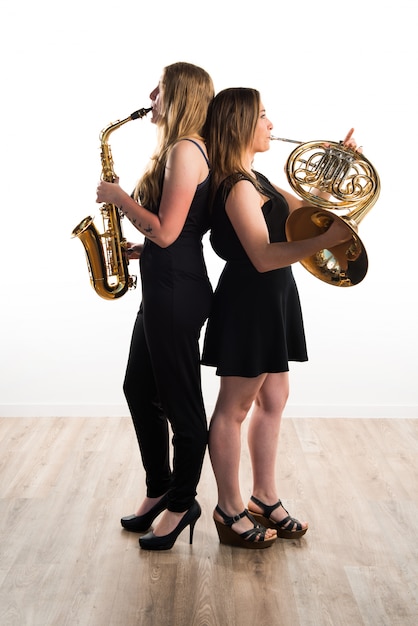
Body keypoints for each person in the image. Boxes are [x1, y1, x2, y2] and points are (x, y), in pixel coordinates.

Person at [201, 87, 359, 549]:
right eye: (264, 116)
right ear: (241, 125)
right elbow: (264, 256)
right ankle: (229, 510)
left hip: (275, 298)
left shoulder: (260, 180)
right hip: (250, 301)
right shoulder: (235, 186)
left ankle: (264, 497)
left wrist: (339, 164)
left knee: (274, 398)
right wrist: (325, 242)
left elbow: (311, 211)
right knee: (234, 408)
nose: (272, 124)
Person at [96, 62, 214, 551]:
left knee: (182, 406)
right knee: (138, 388)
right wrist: (141, 250)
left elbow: (166, 229)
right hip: (165, 285)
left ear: (180, 95)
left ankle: (182, 503)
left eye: (160, 88)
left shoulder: (186, 151)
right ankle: (159, 486)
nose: (151, 95)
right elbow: (176, 232)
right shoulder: (180, 149)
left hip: (174, 294)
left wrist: (118, 196)